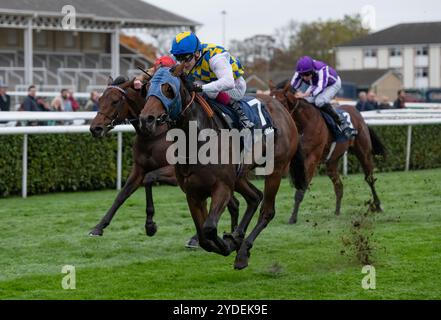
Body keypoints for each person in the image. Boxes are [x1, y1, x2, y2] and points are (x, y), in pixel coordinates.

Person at [169, 31, 253, 129]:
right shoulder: (191, 55)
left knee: (199, 87)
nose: (183, 63)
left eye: (186, 58)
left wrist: (201, 88)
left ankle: (239, 112)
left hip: (235, 88)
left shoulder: (216, 57)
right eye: (179, 58)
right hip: (212, 83)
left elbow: (228, 83)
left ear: (196, 53)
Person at [291, 56, 355, 138]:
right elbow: (292, 86)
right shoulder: (300, 70)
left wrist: (303, 94)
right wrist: (294, 93)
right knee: (305, 101)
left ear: (313, 70)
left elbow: (320, 87)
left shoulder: (322, 69)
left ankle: (341, 122)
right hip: (316, 84)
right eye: (302, 75)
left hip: (332, 84)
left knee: (319, 101)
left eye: (307, 74)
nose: (304, 77)